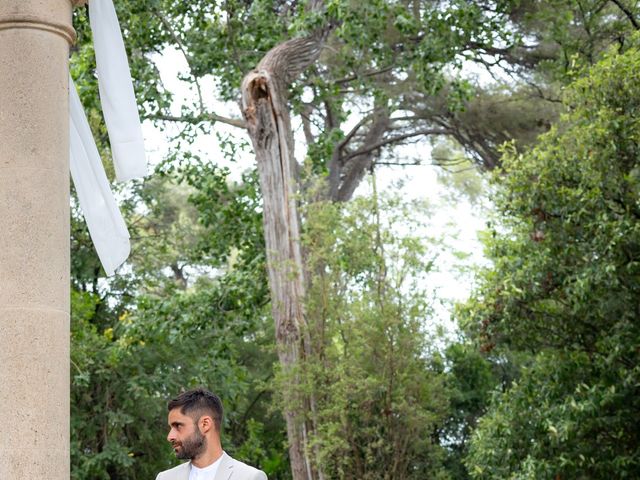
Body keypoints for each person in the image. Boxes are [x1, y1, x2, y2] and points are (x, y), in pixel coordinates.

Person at [156, 388, 267, 480]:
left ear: (205, 424)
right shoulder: (165, 478)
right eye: (170, 428)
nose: (170, 436)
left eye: (178, 426)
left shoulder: (250, 477)